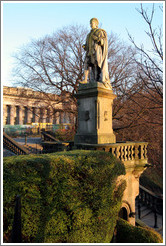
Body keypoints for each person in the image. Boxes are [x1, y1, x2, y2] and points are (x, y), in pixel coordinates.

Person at [80, 18, 110, 84]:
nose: (91, 25)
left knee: (96, 65)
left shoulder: (99, 31)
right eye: (90, 23)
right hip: (89, 52)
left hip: (96, 52)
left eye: (92, 23)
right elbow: (87, 45)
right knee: (86, 64)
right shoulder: (88, 35)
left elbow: (102, 42)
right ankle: (85, 79)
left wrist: (96, 38)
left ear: (96, 24)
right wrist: (85, 46)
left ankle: (99, 79)